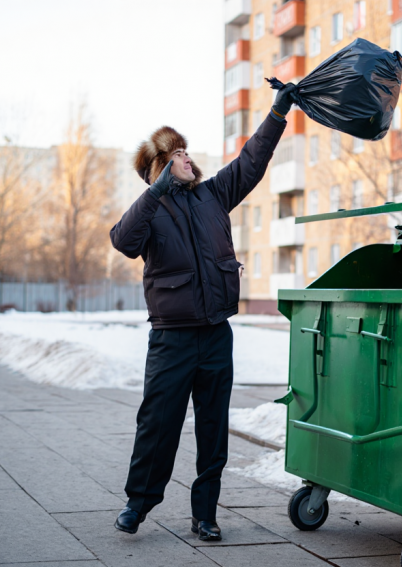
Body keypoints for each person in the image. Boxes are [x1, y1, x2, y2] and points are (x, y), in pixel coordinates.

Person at [109, 83, 298, 541]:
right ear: (157, 168)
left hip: (215, 334)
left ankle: (205, 514)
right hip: (171, 339)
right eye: (175, 155)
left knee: (213, 429)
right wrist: (158, 190)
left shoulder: (213, 196)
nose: (186, 159)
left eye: (187, 153)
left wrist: (278, 112)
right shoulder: (150, 210)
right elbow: (122, 240)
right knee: (158, 423)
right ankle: (139, 504)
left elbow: (251, 161)